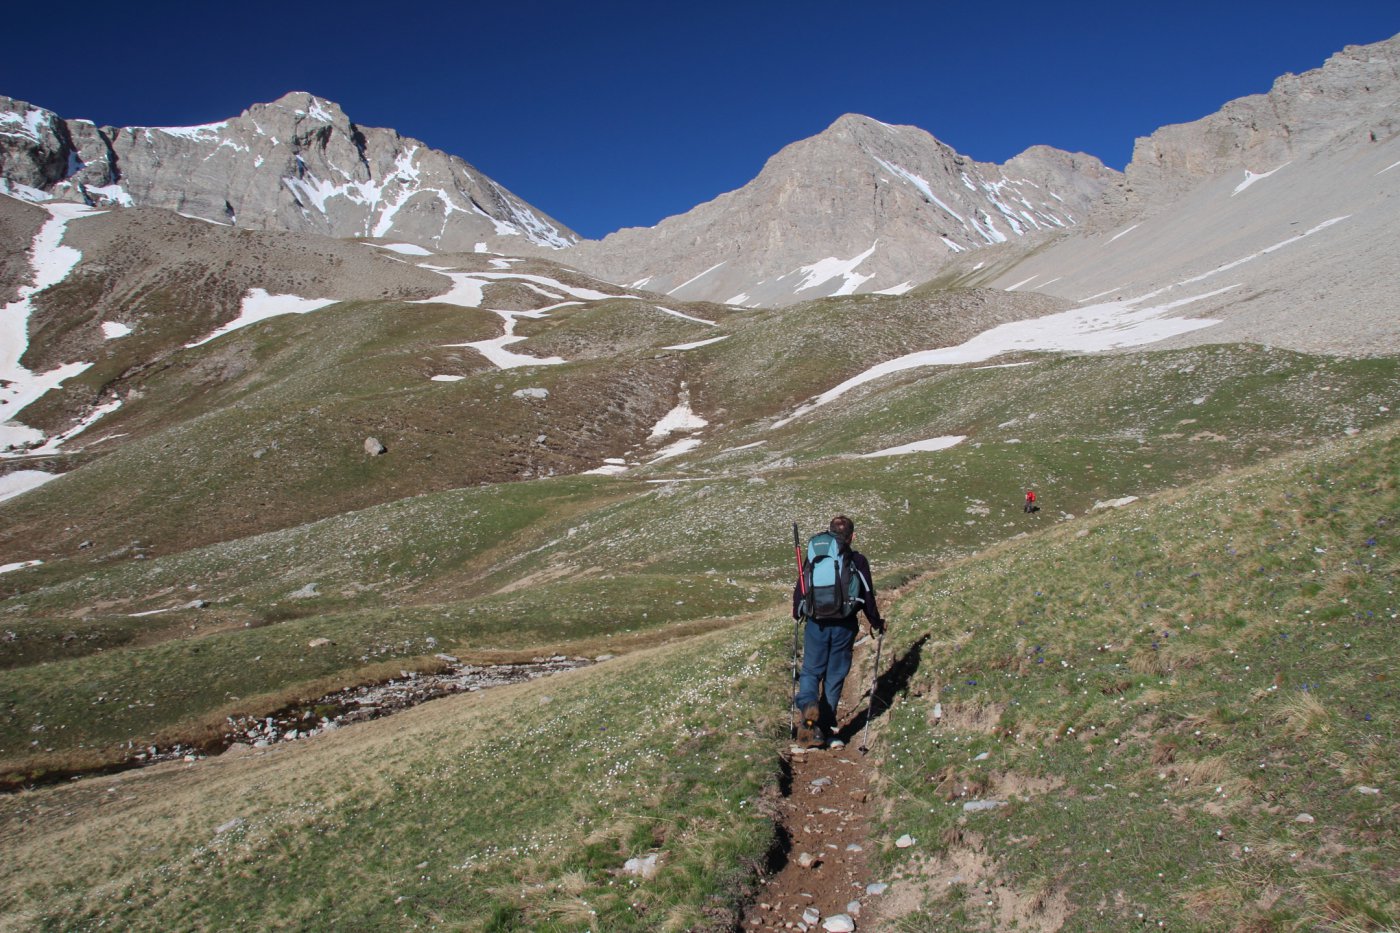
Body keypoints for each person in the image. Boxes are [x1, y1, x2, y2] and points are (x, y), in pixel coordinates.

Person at [792, 515, 884, 749]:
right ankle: (827, 724)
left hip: (816, 623)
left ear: (830, 533)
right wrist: (876, 622)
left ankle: (807, 709)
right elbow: (867, 596)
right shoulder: (857, 560)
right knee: (834, 675)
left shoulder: (815, 557)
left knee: (811, 671)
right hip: (844, 625)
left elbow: (801, 587)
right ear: (852, 536)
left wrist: (797, 612)